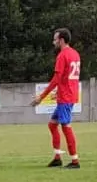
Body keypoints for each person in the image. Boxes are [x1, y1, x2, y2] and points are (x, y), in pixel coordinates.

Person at [32, 28, 82, 169]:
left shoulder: (62, 55)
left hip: (65, 97)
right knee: (52, 124)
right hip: (68, 95)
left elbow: (56, 79)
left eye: (55, 39)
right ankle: (57, 157)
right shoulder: (75, 54)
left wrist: (41, 97)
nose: (53, 42)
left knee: (66, 126)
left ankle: (75, 161)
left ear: (61, 40)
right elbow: (69, 78)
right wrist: (58, 92)